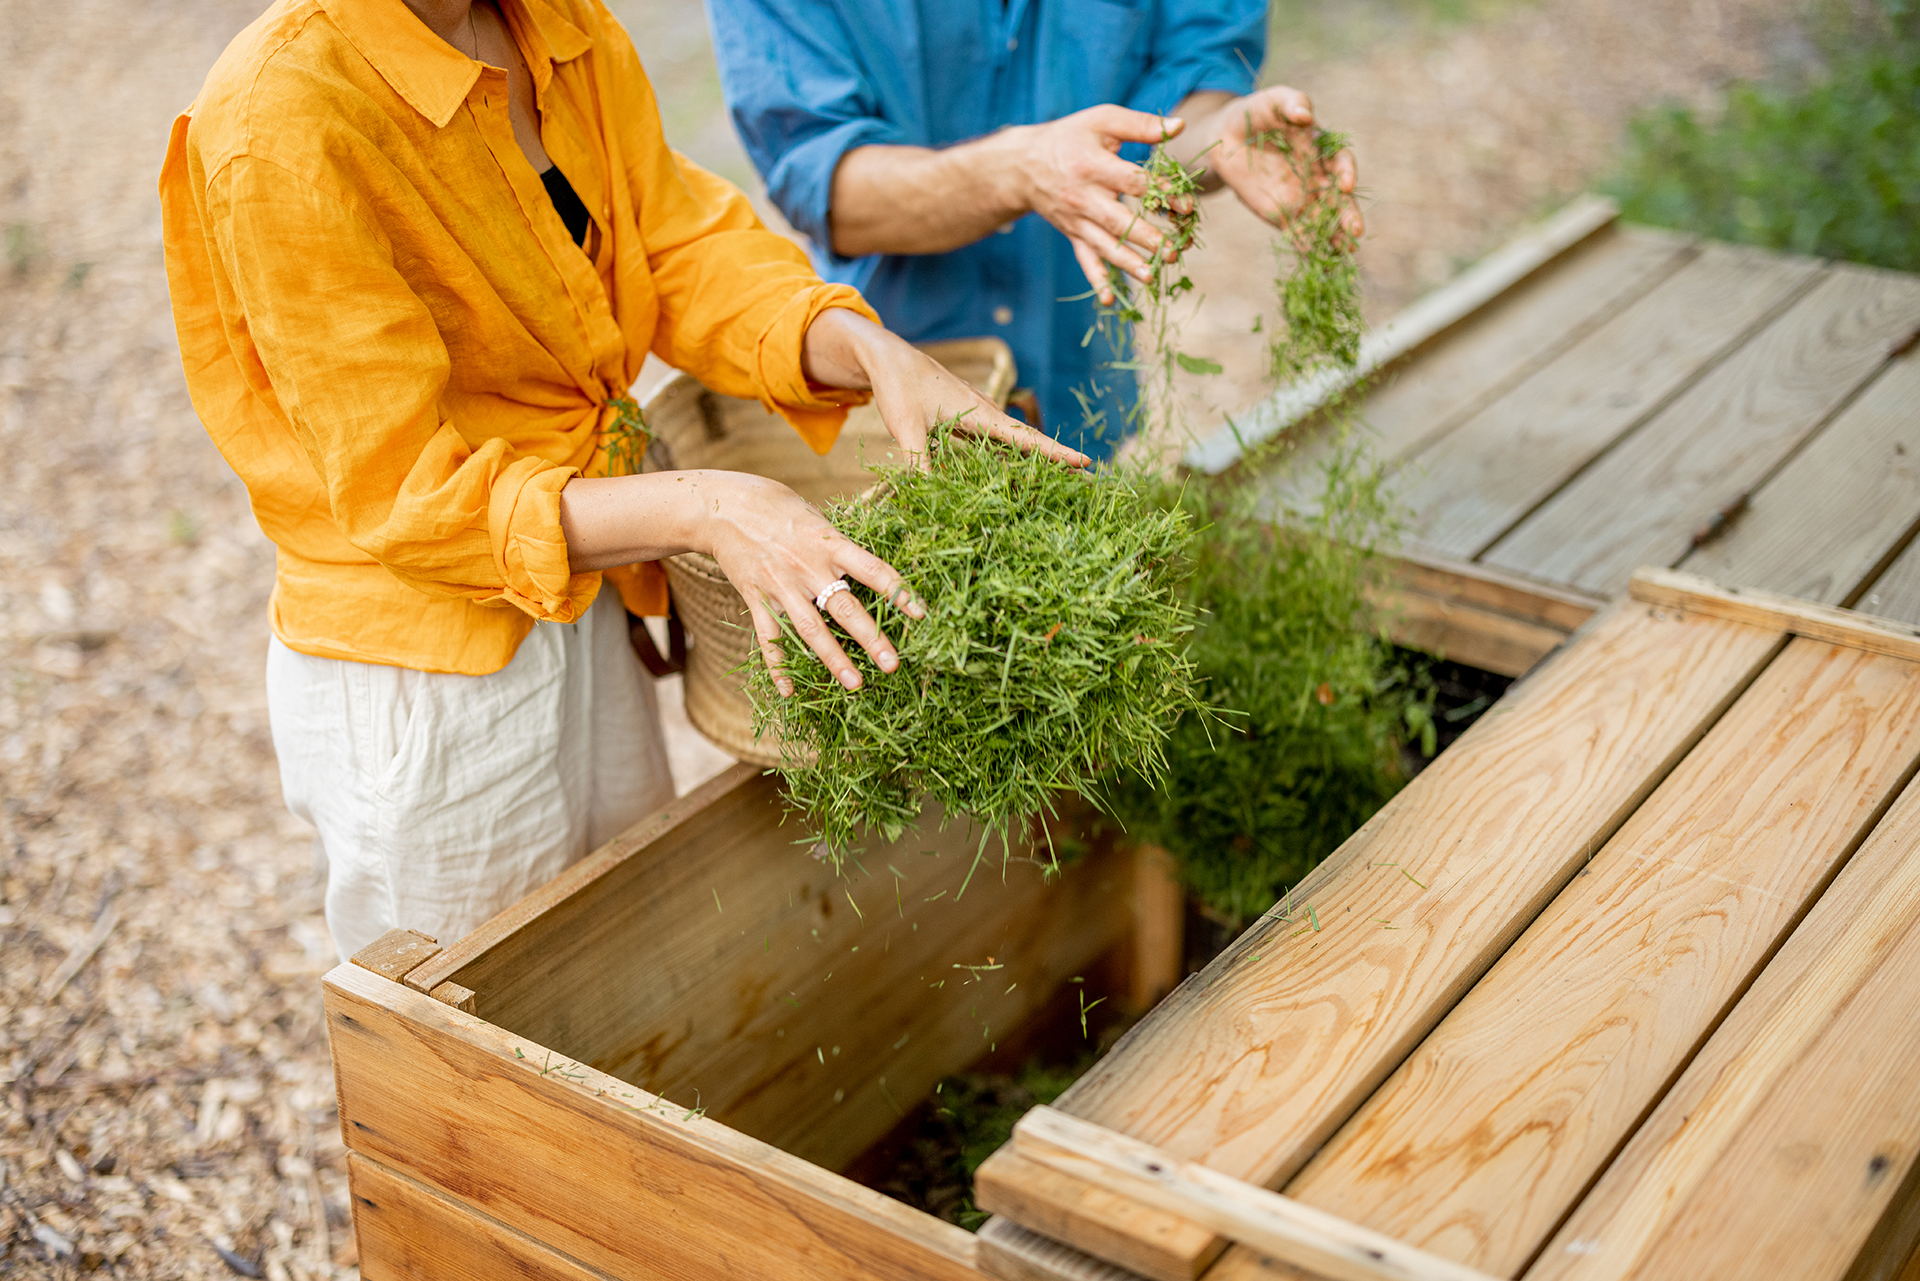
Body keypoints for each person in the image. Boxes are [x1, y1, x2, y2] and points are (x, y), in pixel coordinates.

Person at [160, 0, 1081, 961]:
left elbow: (678, 245)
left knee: (623, 970)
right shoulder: (281, 117)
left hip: (578, 579)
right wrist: (708, 506)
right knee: (473, 1045)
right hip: (424, 668)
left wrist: (861, 346)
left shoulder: (553, 22)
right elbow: (411, 498)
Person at [706, 0, 1362, 459]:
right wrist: (1017, 172)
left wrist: (1219, 134)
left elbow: (1191, 83)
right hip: (882, 408)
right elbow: (825, 183)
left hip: (1075, 374)